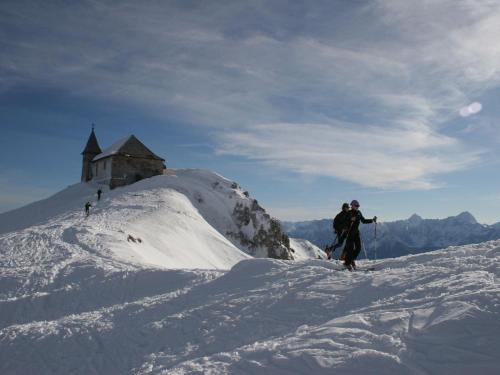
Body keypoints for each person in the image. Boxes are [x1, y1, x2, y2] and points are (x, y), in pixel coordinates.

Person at [343, 200, 377, 270]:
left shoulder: (358, 213)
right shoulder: (348, 213)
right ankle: (347, 264)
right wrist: (350, 220)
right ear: (352, 205)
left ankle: (351, 260)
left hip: (356, 233)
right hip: (349, 233)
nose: (357, 207)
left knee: (358, 248)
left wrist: (372, 220)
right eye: (356, 206)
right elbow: (344, 223)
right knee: (350, 249)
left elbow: (363, 221)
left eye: (358, 206)